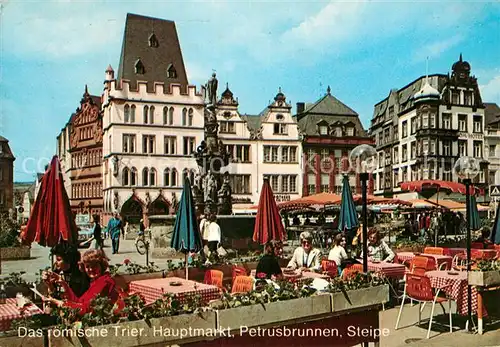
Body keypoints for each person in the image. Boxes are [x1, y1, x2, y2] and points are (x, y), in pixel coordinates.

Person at [45, 249, 123, 314]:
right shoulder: (95, 281)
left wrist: (61, 303)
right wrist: (63, 283)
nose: (91, 269)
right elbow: (79, 301)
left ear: (101, 265)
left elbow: (86, 309)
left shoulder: (105, 281)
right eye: (88, 266)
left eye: (94, 266)